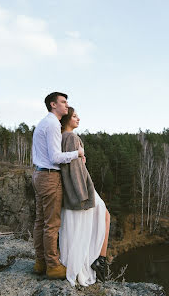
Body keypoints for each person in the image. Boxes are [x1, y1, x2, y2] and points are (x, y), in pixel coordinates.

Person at [31, 92, 84, 279]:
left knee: (40, 222)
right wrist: (76, 153)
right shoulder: (53, 124)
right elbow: (55, 157)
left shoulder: (44, 122)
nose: (67, 105)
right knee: (52, 225)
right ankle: (53, 266)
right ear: (53, 105)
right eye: (63, 102)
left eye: (67, 102)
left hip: (39, 174)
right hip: (49, 176)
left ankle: (40, 262)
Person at [59, 107, 111, 286]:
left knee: (91, 222)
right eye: (74, 116)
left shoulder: (64, 137)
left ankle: (99, 259)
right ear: (66, 119)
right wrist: (82, 194)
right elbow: (73, 169)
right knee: (103, 216)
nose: (78, 118)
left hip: (80, 187)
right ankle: (100, 260)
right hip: (82, 188)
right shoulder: (71, 137)